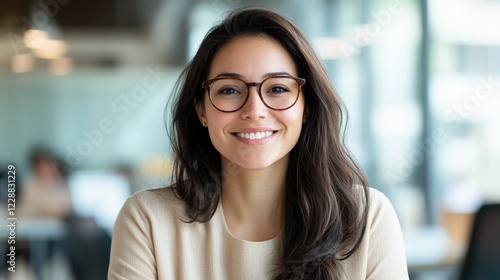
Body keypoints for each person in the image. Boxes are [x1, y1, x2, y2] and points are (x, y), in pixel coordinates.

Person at [108, 7, 408, 280]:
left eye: (277, 88)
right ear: (201, 109)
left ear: (307, 108)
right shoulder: (147, 220)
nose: (254, 110)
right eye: (229, 90)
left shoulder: (367, 219)